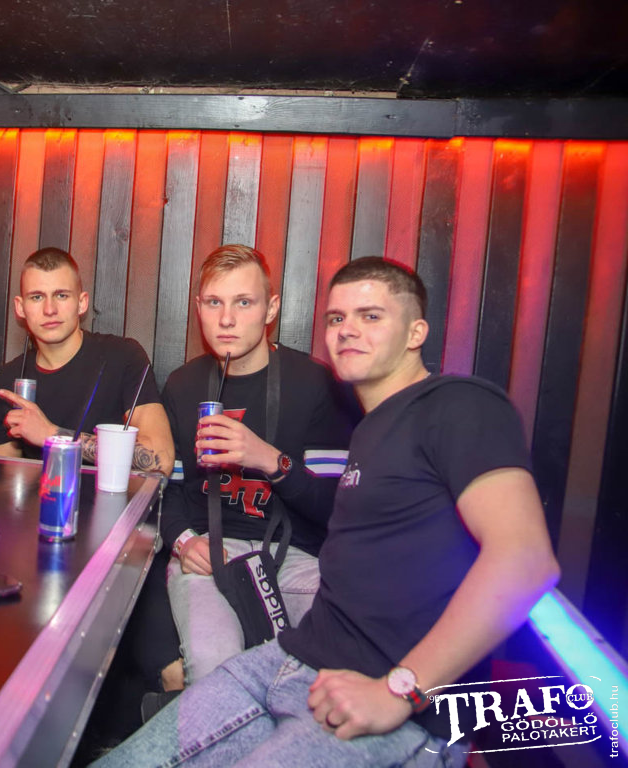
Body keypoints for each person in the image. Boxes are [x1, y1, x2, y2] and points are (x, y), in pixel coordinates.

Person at [93, 257, 559, 767]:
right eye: (337, 318)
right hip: (295, 659)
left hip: (389, 701)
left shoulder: (458, 403)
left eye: (371, 315)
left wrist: (401, 690)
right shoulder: (371, 429)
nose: (348, 330)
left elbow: (526, 561)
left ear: (416, 332)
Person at [156, 245, 355, 689]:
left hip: (296, 555)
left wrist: (271, 460)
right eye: (214, 303)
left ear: (272, 309)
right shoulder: (183, 384)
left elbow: (337, 507)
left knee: (337, 661)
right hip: (209, 552)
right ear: (199, 308)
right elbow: (167, 491)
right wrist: (184, 541)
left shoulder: (315, 382)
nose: (226, 319)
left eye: (243, 302)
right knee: (213, 669)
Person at [0, 248, 173, 475]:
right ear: (20, 307)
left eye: (61, 295)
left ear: (82, 303)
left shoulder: (122, 357)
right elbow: (7, 479)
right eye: (37, 297)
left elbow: (161, 458)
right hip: (40, 498)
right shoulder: (7, 380)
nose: (49, 309)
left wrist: (52, 435)